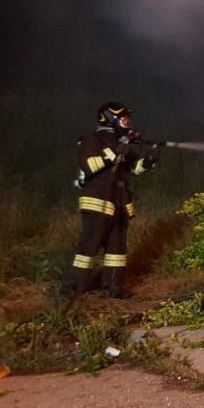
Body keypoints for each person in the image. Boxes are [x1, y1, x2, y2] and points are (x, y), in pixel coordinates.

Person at [64, 102, 159, 301]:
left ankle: (113, 287)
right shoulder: (92, 140)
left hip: (119, 204)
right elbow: (91, 165)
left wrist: (147, 163)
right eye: (124, 119)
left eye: (128, 119)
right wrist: (117, 149)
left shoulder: (122, 145)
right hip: (97, 202)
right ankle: (76, 286)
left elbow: (133, 169)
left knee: (117, 249)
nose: (128, 123)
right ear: (110, 119)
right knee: (89, 246)